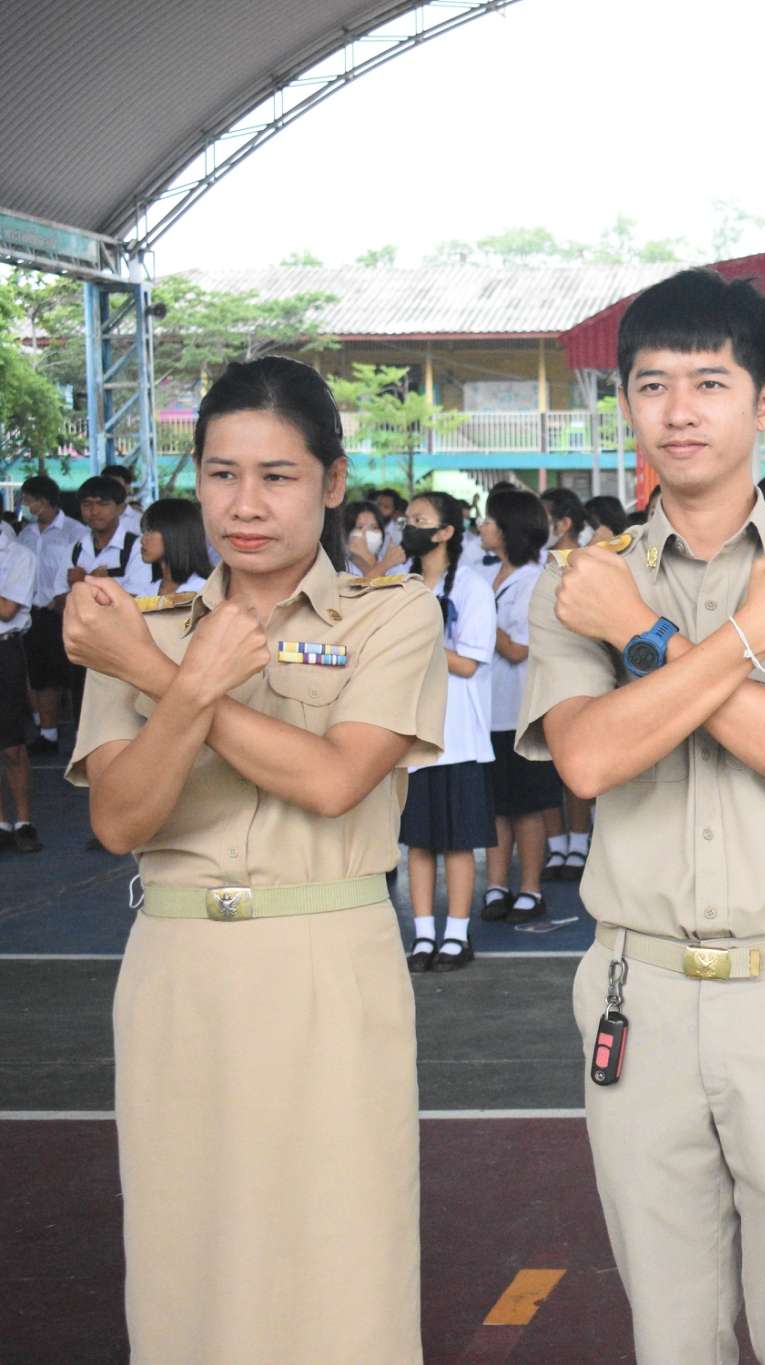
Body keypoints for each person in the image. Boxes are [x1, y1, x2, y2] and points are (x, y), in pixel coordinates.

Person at [516, 268, 765, 1363]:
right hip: (636, 986)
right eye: (652, 385)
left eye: (709, 382)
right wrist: (741, 642)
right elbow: (589, 757)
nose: (678, 410)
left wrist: (644, 640)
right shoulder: (581, 582)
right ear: (626, 404)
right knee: (671, 1323)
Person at [63, 355, 448, 1362]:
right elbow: (121, 820)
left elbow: (333, 780)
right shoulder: (141, 629)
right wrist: (183, 675)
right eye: (222, 474)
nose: (246, 504)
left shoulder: (391, 613)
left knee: (339, 1260)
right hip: (178, 967)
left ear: (331, 480)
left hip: (326, 955)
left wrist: (161, 678)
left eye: (278, 476)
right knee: (185, 1262)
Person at [397, 491, 497, 972]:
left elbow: (470, 662)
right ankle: (422, 934)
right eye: (407, 519)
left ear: (445, 532)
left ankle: (456, 933)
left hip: (458, 734)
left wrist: (420, 643)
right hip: (411, 732)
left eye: (419, 519)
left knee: (458, 840)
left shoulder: (473, 587)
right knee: (418, 841)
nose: (408, 526)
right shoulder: (399, 584)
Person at [479, 487, 559, 924]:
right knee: (494, 805)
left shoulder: (534, 582)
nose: (483, 527)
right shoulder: (483, 575)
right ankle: (496, 885)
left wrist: (479, 620)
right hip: (486, 710)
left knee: (526, 806)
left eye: (491, 521)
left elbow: (517, 650)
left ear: (510, 528)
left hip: (521, 710)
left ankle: (530, 887)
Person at [539, 485, 595, 877]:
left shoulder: (588, 565)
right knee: (542, 771)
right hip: (539, 681)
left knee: (575, 764)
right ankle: (557, 846)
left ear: (564, 524)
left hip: (578, 674)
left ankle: (579, 840)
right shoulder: (536, 564)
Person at [17, 473, 89, 754]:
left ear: (43, 501)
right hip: (31, 613)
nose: (25, 505)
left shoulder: (74, 532)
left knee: (65, 675)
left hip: (60, 611)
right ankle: (47, 732)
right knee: (38, 673)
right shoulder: (26, 533)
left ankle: (75, 733)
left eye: (28, 500)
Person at [0, 524, 36, 851]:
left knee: (12, 745)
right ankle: (1, 823)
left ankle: (24, 822)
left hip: (5, 647)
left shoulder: (18, 555)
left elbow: (7, 609)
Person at [69, 475, 156, 599]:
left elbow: (136, 600)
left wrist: (85, 582)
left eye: (103, 504)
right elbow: (59, 599)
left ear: (120, 508)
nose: (94, 511)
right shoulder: (74, 548)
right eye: (87, 505)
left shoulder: (137, 548)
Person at [138, 497, 212, 595]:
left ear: (175, 533)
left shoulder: (203, 591)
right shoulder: (149, 590)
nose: (142, 540)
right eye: (144, 531)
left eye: (151, 530)